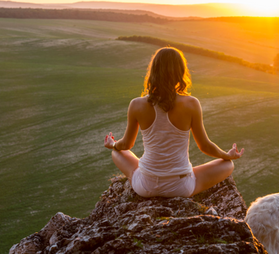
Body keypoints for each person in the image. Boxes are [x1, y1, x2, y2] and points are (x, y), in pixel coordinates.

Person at [104, 47, 244, 198]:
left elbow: (126, 145)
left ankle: (146, 173)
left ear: (154, 71)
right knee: (228, 165)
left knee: (117, 152)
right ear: (180, 72)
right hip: (180, 187)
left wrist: (112, 144)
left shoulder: (136, 104)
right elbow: (204, 146)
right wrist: (226, 155)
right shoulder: (191, 103)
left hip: (146, 186)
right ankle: (181, 177)